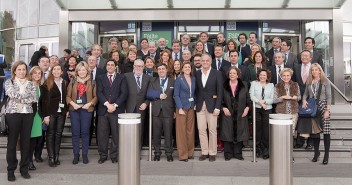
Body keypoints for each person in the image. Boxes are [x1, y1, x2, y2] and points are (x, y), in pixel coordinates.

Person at [5, 61, 37, 181]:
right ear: (14, 71)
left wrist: (20, 98)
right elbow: (11, 94)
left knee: (26, 143)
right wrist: (25, 98)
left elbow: (33, 98)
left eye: (24, 69)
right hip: (13, 114)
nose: (22, 72)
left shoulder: (31, 84)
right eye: (19, 69)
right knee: (12, 143)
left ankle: (24, 169)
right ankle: (11, 170)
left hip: (27, 114)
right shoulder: (9, 82)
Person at [96, 59, 128, 164]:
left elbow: (124, 93)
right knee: (102, 135)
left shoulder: (121, 77)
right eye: (108, 65)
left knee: (116, 134)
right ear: (106, 67)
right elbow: (99, 93)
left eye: (112, 65)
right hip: (103, 110)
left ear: (115, 66)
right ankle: (103, 155)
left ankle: (114, 156)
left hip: (117, 110)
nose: (110, 67)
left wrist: (114, 105)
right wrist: (107, 104)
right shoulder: (100, 78)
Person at [300, 63, 331, 165]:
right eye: (312, 70)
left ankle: (326, 155)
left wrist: (327, 110)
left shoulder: (325, 81)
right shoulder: (309, 82)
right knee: (315, 132)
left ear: (320, 71)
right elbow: (305, 94)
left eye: (316, 70)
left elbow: (329, 97)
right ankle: (316, 152)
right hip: (313, 108)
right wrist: (304, 100)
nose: (314, 72)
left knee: (326, 132)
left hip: (323, 106)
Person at [66, 61, 98, 164]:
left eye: (83, 69)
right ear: (77, 71)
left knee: (85, 132)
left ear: (87, 71)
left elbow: (96, 97)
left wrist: (90, 104)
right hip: (74, 110)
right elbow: (67, 96)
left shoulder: (92, 82)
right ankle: (76, 155)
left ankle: (84, 155)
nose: (81, 72)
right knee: (75, 133)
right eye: (79, 70)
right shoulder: (73, 82)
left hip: (86, 110)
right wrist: (73, 104)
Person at [195, 53, 223, 162]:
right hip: (200, 105)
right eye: (203, 61)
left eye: (207, 60)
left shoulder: (217, 73)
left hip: (212, 106)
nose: (205, 62)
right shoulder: (197, 74)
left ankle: (212, 152)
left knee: (212, 130)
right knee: (201, 129)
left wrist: (218, 107)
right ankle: (204, 152)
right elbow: (196, 90)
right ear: (200, 62)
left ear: (211, 62)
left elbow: (219, 91)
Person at [39, 64, 67, 167]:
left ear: (61, 71)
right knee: (50, 134)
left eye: (58, 69)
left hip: (62, 112)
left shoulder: (64, 82)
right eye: (54, 69)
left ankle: (56, 156)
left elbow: (65, 98)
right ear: (52, 71)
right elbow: (44, 101)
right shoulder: (47, 83)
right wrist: (46, 115)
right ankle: (51, 157)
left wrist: (66, 110)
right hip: (50, 113)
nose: (56, 71)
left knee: (58, 134)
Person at [146, 63, 175, 162]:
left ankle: (169, 153)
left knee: (168, 134)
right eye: (159, 69)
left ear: (166, 70)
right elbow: (149, 94)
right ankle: (157, 153)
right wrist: (159, 95)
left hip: (168, 111)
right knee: (156, 134)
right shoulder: (153, 81)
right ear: (157, 71)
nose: (161, 70)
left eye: (163, 69)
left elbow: (175, 96)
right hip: (156, 111)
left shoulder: (173, 81)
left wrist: (175, 110)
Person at [221, 66, 250, 161]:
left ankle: (238, 153)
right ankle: (228, 154)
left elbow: (248, 99)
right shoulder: (224, 85)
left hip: (240, 113)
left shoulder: (244, 85)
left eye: (234, 73)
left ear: (238, 75)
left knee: (239, 132)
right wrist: (223, 108)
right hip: (228, 112)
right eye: (230, 73)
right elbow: (220, 99)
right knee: (227, 132)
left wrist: (247, 108)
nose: (232, 75)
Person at [124, 59, 151, 149]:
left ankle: (137, 150)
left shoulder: (148, 78)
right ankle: (129, 149)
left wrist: (146, 103)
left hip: (141, 108)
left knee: (140, 130)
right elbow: (123, 93)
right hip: (129, 107)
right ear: (133, 66)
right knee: (129, 130)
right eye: (136, 66)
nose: (138, 68)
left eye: (140, 66)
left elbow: (150, 93)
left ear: (143, 67)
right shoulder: (126, 76)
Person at [249, 69, 274, 159]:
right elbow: (252, 96)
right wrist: (260, 103)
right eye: (261, 75)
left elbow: (272, 99)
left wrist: (265, 102)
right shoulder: (254, 84)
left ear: (267, 77)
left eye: (264, 75)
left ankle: (266, 151)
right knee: (257, 130)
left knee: (266, 131)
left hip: (267, 109)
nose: (262, 76)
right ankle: (257, 149)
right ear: (258, 76)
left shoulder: (271, 85)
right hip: (257, 109)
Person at [173, 61, 196, 162]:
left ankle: (190, 153)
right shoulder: (179, 79)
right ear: (182, 69)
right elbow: (176, 95)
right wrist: (180, 108)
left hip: (191, 107)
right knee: (181, 132)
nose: (187, 68)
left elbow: (194, 93)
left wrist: (195, 103)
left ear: (191, 69)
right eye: (185, 67)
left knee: (190, 131)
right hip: (182, 108)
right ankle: (183, 155)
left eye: (189, 67)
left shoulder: (194, 79)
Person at [273, 68, 301, 142]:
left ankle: (288, 150)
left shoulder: (295, 85)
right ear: (281, 76)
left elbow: (299, 97)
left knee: (291, 132)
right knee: (281, 132)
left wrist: (296, 97)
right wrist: (282, 97)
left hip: (293, 112)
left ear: (290, 76)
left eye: (288, 75)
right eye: (284, 75)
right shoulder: (277, 86)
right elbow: (274, 100)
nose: (286, 77)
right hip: (281, 112)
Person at [28, 66, 43, 171]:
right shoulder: (27, 85)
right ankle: (28, 161)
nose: (37, 75)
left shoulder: (41, 86)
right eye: (35, 73)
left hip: (38, 116)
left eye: (39, 73)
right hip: (28, 115)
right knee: (28, 139)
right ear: (31, 74)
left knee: (34, 139)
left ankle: (30, 160)